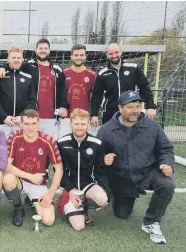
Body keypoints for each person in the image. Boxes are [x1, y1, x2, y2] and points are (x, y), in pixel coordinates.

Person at [97, 90, 175, 244]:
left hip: (147, 172)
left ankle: (151, 222)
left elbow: (165, 149)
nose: (134, 110)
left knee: (167, 184)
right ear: (120, 108)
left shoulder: (152, 126)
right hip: (122, 178)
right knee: (122, 214)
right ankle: (116, 196)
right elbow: (96, 157)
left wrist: (167, 162)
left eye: (137, 106)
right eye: (130, 107)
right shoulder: (106, 130)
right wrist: (103, 159)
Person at [0, 38, 68, 139]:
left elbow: (63, 89)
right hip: (32, 118)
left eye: (45, 48)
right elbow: (14, 63)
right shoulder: (29, 65)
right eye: (40, 48)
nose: (43, 50)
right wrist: (1, 67)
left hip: (51, 116)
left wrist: (63, 106)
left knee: (50, 144)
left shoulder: (57, 69)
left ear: (49, 50)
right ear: (36, 50)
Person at [4, 109, 63, 227]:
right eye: (26, 124)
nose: (30, 127)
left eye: (33, 124)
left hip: (38, 183)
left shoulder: (48, 140)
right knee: (7, 179)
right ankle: (18, 206)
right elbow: (6, 165)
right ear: (21, 124)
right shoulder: (14, 137)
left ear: (39, 123)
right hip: (19, 179)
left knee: (48, 220)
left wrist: (49, 196)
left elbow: (59, 170)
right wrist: (30, 176)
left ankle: (31, 201)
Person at [56, 108, 109, 231]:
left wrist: (107, 193)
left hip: (88, 185)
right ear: (70, 124)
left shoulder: (96, 143)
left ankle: (83, 205)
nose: (80, 127)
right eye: (76, 124)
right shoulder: (61, 143)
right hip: (70, 187)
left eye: (83, 124)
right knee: (79, 226)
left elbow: (100, 171)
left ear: (88, 124)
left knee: (102, 199)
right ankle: (64, 202)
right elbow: (59, 171)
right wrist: (70, 190)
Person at [90, 43, 156, 126]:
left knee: (132, 135)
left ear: (121, 52)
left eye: (116, 52)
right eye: (111, 53)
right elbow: (97, 95)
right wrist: (94, 114)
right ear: (107, 55)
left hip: (131, 111)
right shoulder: (102, 74)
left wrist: (150, 106)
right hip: (110, 113)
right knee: (110, 137)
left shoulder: (134, 68)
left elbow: (144, 87)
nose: (114, 55)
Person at [0, 47, 37, 138]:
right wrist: (4, 117)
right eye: (13, 58)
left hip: (21, 123)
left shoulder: (28, 76)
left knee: (21, 151)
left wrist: (22, 116)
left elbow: (32, 100)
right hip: (3, 123)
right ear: (8, 59)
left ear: (22, 59)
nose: (16, 60)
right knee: (2, 150)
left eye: (19, 58)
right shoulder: (0, 75)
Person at [59, 44, 96, 136]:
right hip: (66, 117)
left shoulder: (91, 75)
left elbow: (96, 97)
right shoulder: (64, 73)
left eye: (81, 55)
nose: (78, 58)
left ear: (85, 56)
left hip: (83, 117)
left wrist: (93, 115)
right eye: (76, 55)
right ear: (71, 57)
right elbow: (59, 94)